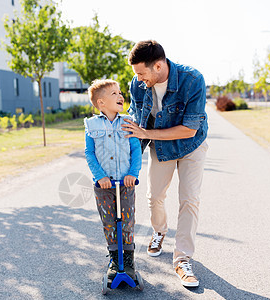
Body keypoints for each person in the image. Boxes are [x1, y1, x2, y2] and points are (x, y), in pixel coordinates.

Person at [122, 40, 208, 288]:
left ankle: (182, 259)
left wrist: (146, 134)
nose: (138, 79)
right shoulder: (138, 85)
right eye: (135, 74)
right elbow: (136, 125)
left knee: (190, 199)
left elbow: (190, 130)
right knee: (154, 197)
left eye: (141, 73)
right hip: (161, 146)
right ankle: (159, 231)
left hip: (191, 145)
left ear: (158, 66)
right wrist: (129, 164)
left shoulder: (192, 80)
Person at [84, 79, 142, 284]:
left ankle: (128, 260)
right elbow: (89, 153)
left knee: (126, 221)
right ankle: (115, 261)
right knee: (109, 223)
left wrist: (133, 173)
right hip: (104, 186)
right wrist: (99, 176)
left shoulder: (128, 122)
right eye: (114, 94)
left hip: (125, 184)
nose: (120, 96)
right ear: (101, 103)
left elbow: (136, 150)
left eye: (120, 93)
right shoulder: (91, 125)